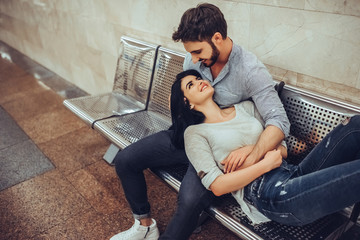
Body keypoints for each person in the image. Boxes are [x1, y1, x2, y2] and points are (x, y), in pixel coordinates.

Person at [110, 3, 290, 240]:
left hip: (216, 146)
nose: (192, 60)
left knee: (190, 200)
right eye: (191, 53)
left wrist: (252, 154)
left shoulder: (250, 70)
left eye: (197, 52)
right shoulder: (193, 61)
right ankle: (144, 225)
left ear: (217, 38)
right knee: (124, 159)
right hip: (187, 133)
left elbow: (279, 121)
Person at [171, 69, 360, 226]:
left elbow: (282, 149)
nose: (199, 82)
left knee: (354, 125)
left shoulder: (246, 108)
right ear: (188, 103)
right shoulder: (195, 133)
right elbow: (218, 186)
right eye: (191, 85)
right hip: (269, 193)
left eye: (198, 78)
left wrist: (250, 150)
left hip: (292, 172)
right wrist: (265, 165)